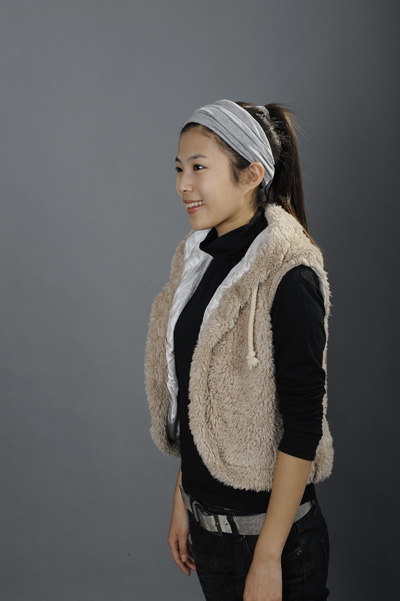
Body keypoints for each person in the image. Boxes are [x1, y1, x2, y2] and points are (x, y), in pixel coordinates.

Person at [145, 99, 333, 601]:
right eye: (179, 169)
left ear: (251, 175)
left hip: (275, 541)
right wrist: (184, 498)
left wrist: (268, 557)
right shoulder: (198, 265)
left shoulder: (289, 274)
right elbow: (200, 397)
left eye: (198, 168)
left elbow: (304, 422)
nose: (183, 185)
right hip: (209, 533)